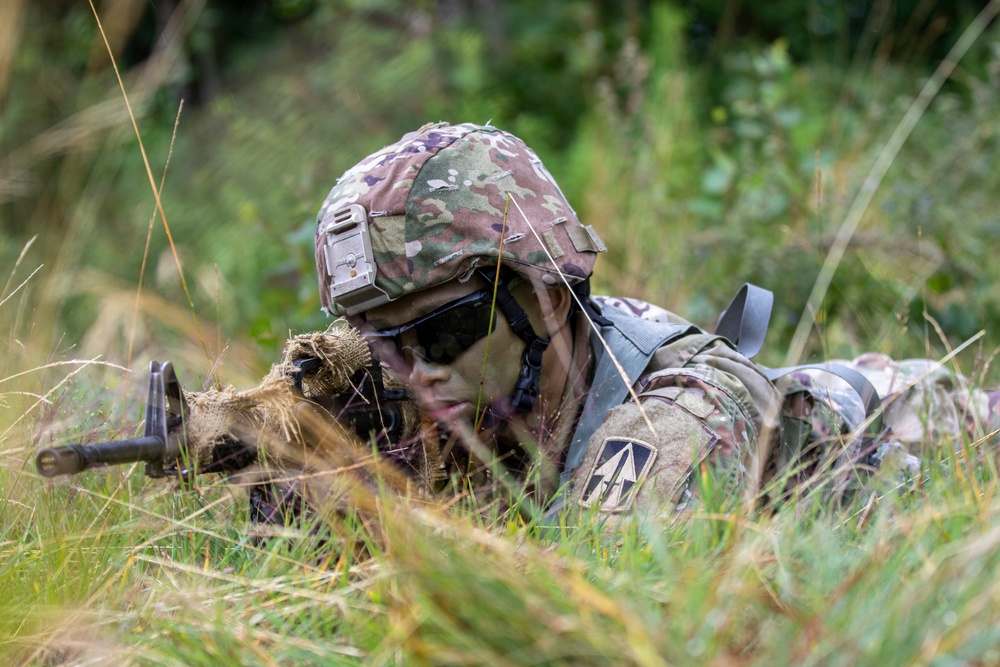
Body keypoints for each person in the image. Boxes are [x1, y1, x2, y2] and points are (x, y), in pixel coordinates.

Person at [311, 121, 1000, 518]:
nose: (416, 370)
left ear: (545, 296)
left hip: (922, 426)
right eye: (378, 343)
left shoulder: (667, 425)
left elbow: (584, 591)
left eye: (441, 332)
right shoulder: (476, 391)